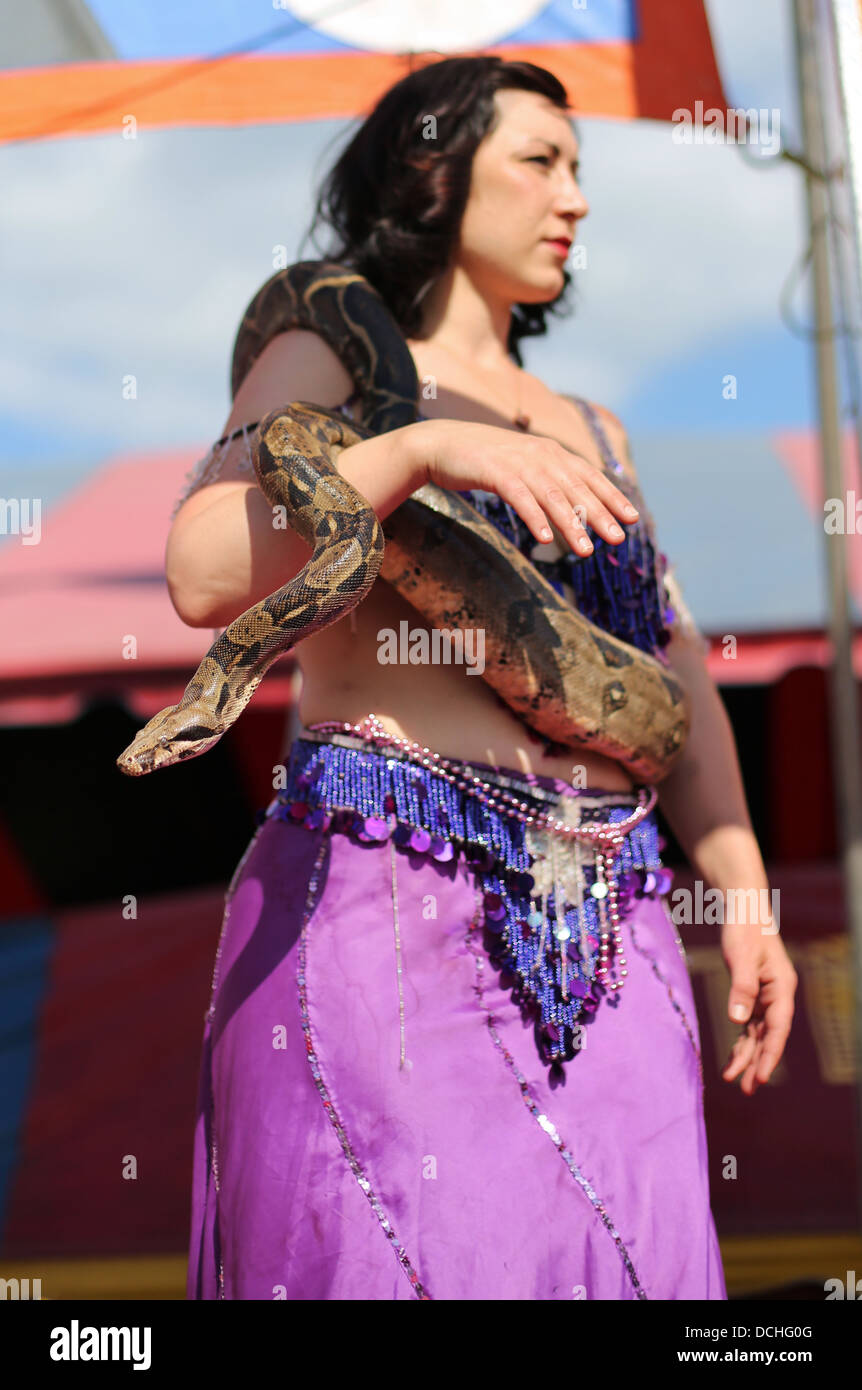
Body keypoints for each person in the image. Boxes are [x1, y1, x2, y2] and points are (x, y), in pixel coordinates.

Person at [167, 56, 796, 1301]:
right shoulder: (326, 347)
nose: (574, 197)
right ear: (430, 169)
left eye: (581, 170)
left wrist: (743, 894)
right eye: (539, 160)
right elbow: (198, 573)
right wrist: (423, 447)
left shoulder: (592, 429)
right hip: (390, 896)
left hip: (616, 926)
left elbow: (673, 667)